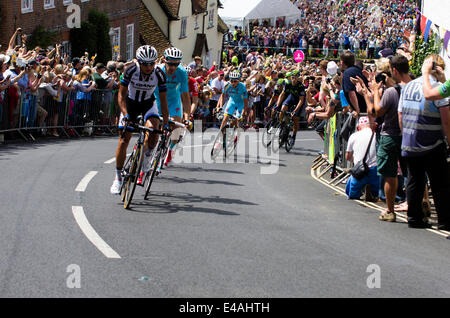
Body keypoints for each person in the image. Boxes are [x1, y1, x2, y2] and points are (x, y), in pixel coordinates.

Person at [398, 54, 450, 230]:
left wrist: (405, 136)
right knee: (440, 183)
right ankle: (444, 220)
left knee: (414, 180)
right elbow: (446, 120)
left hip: (410, 140)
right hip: (432, 142)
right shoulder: (438, 88)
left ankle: (414, 218)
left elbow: (401, 115)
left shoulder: (409, 86)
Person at [110, 45, 169, 194]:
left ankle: (148, 156)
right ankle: (117, 178)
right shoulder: (130, 71)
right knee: (124, 140)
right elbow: (121, 96)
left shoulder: (159, 74)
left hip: (148, 104)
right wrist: (125, 114)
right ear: (138, 62)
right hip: (130, 104)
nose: (148, 67)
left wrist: (166, 123)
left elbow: (163, 101)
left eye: (152, 63)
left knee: (155, 129)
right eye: (145, 63)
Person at [365, 55, 412, 222]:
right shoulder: (414, 88)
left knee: (389, 175)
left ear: (393, 71)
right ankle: (420, 205)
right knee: (413, 174)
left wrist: (375, 92)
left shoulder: (391, 92)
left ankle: (390, 210)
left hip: (390, 136)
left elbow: (378, 111)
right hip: (409, 136)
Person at [154, 47, 191, 167]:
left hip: (173, 100)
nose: (173, 67)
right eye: (170, 64)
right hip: (157, 99)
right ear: (164, 60)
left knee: (176, 129)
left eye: (176, 64)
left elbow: (185, 97)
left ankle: (170, 148)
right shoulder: (157, 70)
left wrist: (187, 117)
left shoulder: (181, 73)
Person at [345, 116, 379, 201]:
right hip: (375, 170)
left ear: (358, 127)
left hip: (360, 171)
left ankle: (360, 192)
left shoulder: (354, 136)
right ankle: (373, 193)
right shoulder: (377, 135)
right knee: (377, 192)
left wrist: (355, 161)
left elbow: (347, 157)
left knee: (351, 194)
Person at [216, 71, 248, 148]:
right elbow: (222, 96)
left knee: (236, 120)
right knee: (225, 118)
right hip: (232, 102)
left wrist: (243, 114)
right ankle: (219, 137)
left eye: (235, 81)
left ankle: (235, 133)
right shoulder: (227, 85)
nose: (233, 83)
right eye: (231, 81)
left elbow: (245, 103)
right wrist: (219, 107)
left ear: (239, 80)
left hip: (240, 104)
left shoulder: (242, 87)